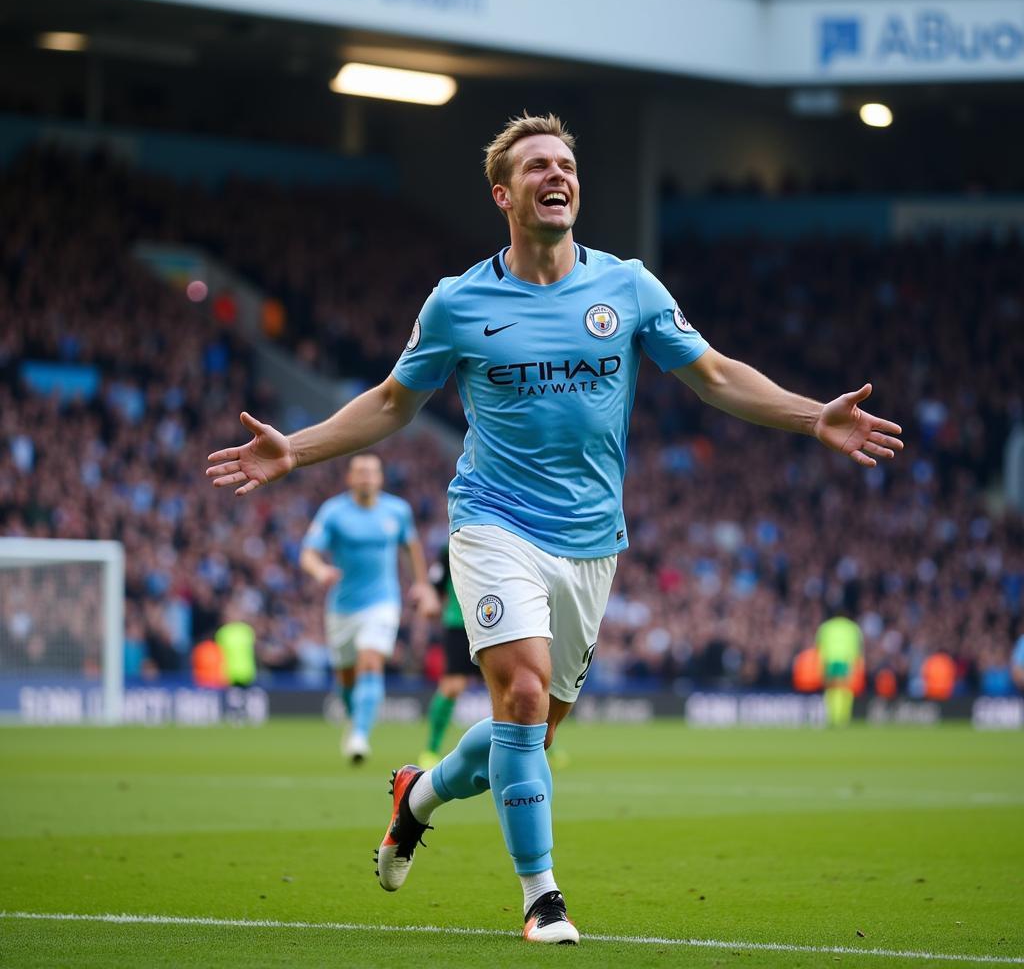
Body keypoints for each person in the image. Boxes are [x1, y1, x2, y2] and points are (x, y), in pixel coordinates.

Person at [207, 112, 903, 944]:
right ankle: (542, 899)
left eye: (566, 164)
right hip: (493, 523)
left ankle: (418, 795)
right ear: (504, 193)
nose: (557, 175)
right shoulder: (459, 302)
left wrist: (807, 416)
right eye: (537, 165)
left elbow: (714, 375)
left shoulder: (629, 288)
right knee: (524, 694)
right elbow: (395, 402)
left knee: (525, 729)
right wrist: (300, 451)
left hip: (593, 542)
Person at [300, 452, 438, 763]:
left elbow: (411, 546)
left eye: (371, 471)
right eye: (359, 471)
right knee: (347, 677)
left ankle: (360, 736)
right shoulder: (334, 512)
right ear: (349, 478)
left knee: (371, 661)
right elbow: (308, 553)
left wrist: (422, 584)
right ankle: (355, 719)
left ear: (380, 478)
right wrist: (320, 571)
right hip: (342, 607)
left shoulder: (397, 511)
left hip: (383, 602)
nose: (365, 477)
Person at [419, 543, 479, 770]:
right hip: (459, 624)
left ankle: (543, 747)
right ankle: (431, 749)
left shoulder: (505, 535)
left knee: (514, 686)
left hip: (497, 620)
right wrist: (430, 598)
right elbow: (435, 584)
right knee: (452, 686)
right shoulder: (449, 549)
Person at [815, 612, 863, 727]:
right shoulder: (852, 627)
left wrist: (821, 662)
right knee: (845, 689)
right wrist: (857, 661)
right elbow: (857, 646)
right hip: (845, 661)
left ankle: (833, 717)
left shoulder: (826, 626)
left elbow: (819, 645)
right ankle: (843, 718)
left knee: (831, 689)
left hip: (830, 660)